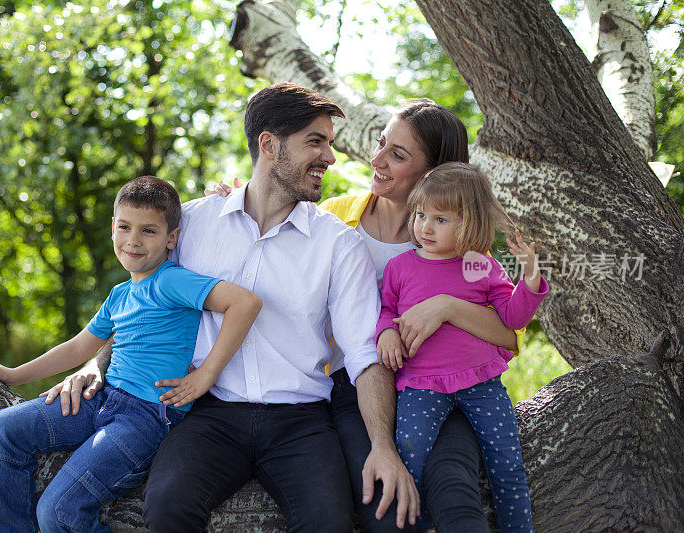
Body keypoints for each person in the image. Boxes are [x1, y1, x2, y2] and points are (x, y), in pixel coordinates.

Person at [44, 82, 420, 532]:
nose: (330, 158)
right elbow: (144, 305)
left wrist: (383, 446)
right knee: (165, 509)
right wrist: (95, 367)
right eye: (315, 142)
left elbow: (364, 354)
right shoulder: (192, 224)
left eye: (330, 144)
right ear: (269, 145)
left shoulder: (338, 245)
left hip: (301, 421)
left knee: (329, 523)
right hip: (209, 414)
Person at [212, 99, 523, 532]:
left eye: (398, 154)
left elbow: (508, 334)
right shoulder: (337, 216)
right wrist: (236, 202)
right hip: (355, 390)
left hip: (440, 386)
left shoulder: (462, 244)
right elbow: (271, 234)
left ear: (434, 173)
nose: (376, 160)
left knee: (452, 488)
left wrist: (447, 307)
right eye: (381, 144)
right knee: (384, 508)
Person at [0, 176, 262, 533]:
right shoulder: (120, 295)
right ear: (112, 229)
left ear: (172, 238)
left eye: (149, 231)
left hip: (146, 419)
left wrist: (206, 374)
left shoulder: (171, 280)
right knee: (0, 430)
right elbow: (78, 348)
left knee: (59, 512)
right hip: (101, 400)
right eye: (124, 227)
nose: (133, 240)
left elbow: (245, 302)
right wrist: (13, 374)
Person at [378, 162, 547, 532]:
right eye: (421, 214)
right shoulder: (400, 267)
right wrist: (386, 334)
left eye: (441, 219)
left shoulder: (479, 265)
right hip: (420, 383)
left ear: (468, 222)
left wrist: (529, 279)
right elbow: (387, 310)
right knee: (411, 457)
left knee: (506, 461)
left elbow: (512, 318)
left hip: (481, 383)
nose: (425, 226)